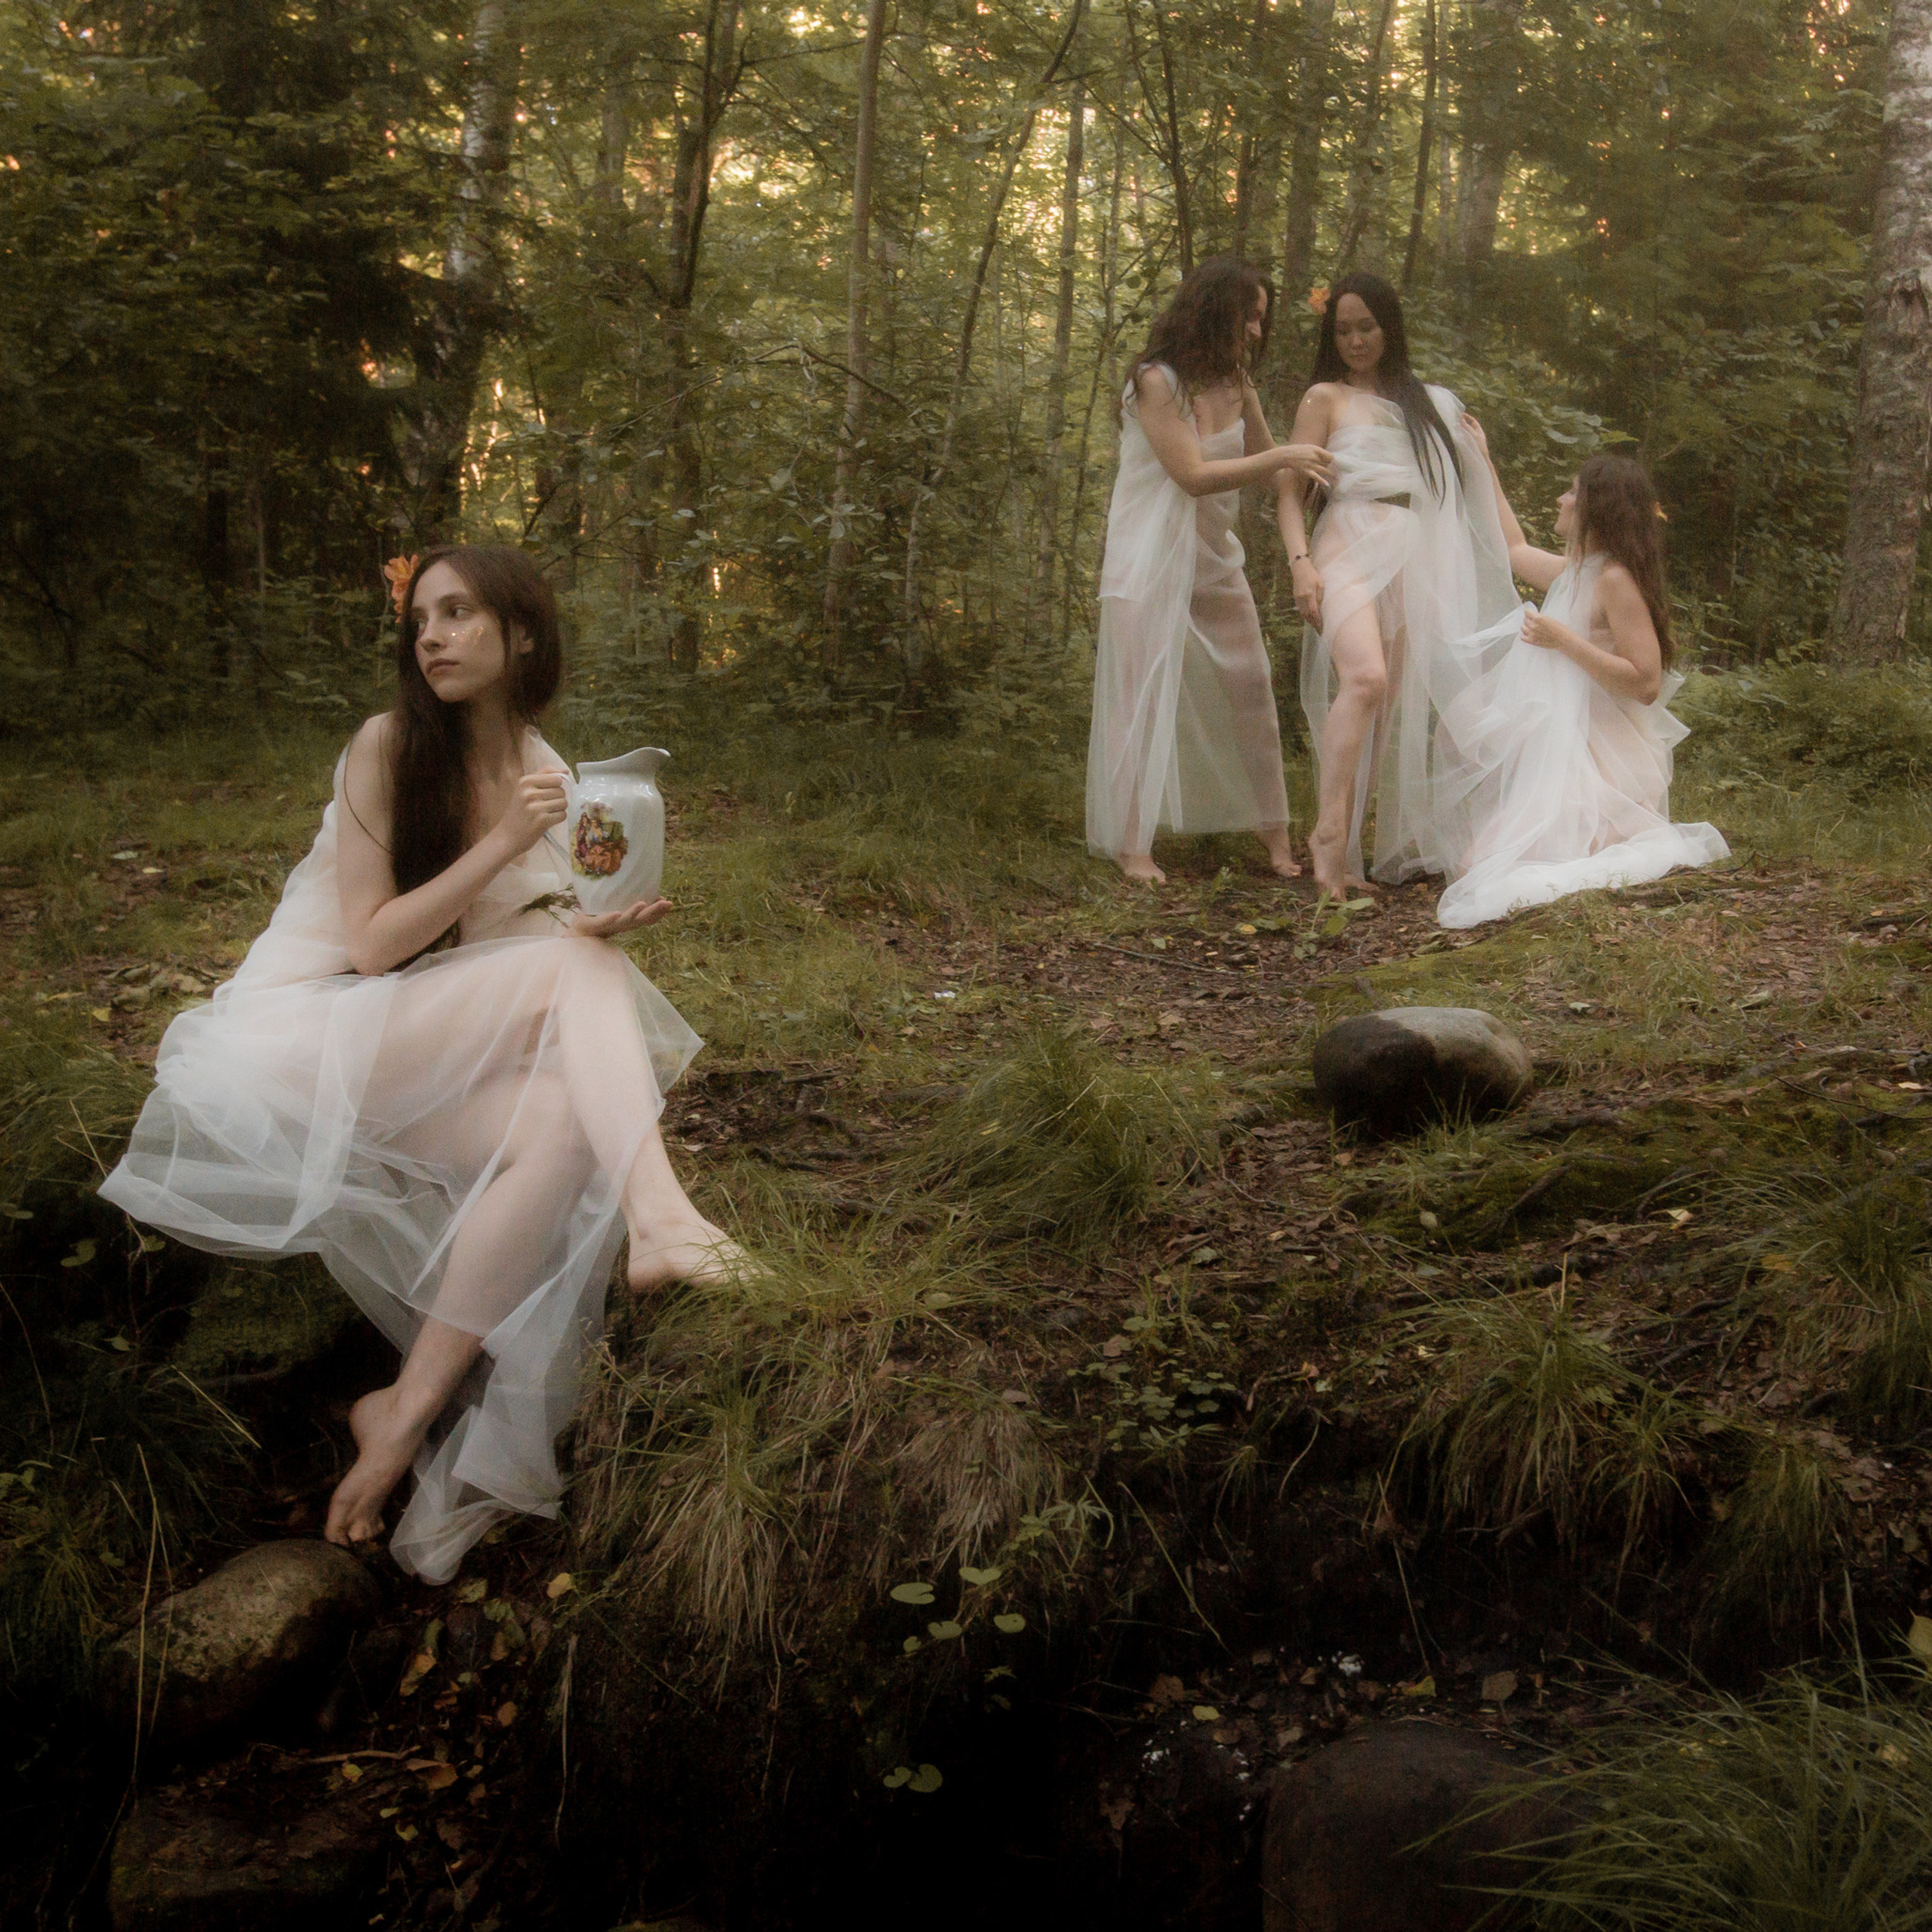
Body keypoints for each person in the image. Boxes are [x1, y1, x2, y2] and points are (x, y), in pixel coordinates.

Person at [100, 545, 742, 1582]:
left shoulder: (546, 768)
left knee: (561, 1118)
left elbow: (524, 947)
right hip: (308, 1036)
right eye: (422, 622)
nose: (432, 638)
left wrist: (594, 922)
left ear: (521, 634)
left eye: (458, 614)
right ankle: (663, 1223)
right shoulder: (386, 745)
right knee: (574, 980)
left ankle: (403, 1411)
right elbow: (373, 946)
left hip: (408, 1047)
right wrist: (504, 845)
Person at [1086, 255, 1336, 884]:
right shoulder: (1156, 382)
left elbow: (1274, 467)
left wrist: (1346, 477)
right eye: (1248, 316)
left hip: (1214, 558)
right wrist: (1284, 456)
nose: (1256, 330)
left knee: (1251, 688)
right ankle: (1132, 845)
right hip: (1148, 559)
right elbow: (1193, 476)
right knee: (1142, 698)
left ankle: (1275, 838)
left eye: (1261, 319)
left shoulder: (1238, 386)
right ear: (1213, 311)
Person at [1280, 272, 1521, 895]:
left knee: (1383, 704)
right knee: (1365, 677)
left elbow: (1472, 493)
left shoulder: (1430, 403)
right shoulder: (1324, 398)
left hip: (1412, 552)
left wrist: (1481, 451)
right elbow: (1288, 492)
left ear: (1389, 327)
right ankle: (1327, 834)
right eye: (1343, 331)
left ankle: (1347, 854)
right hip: (1346, 541)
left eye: (1367, 327)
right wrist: (1300, 562)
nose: (1356, 341)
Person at [1431, 444, 1730, 928]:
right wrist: (1484, 461)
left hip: (1603, 761)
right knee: (1476, 870)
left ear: (1596, 509)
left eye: (1572, 493)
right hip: (1566, 753)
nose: (1561, 500)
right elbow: (1514, 549)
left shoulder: (1615, 580)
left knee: (1488, 877)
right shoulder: (1575, 573)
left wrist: (1564, 641)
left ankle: (1619, 829)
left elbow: (1647, 682)